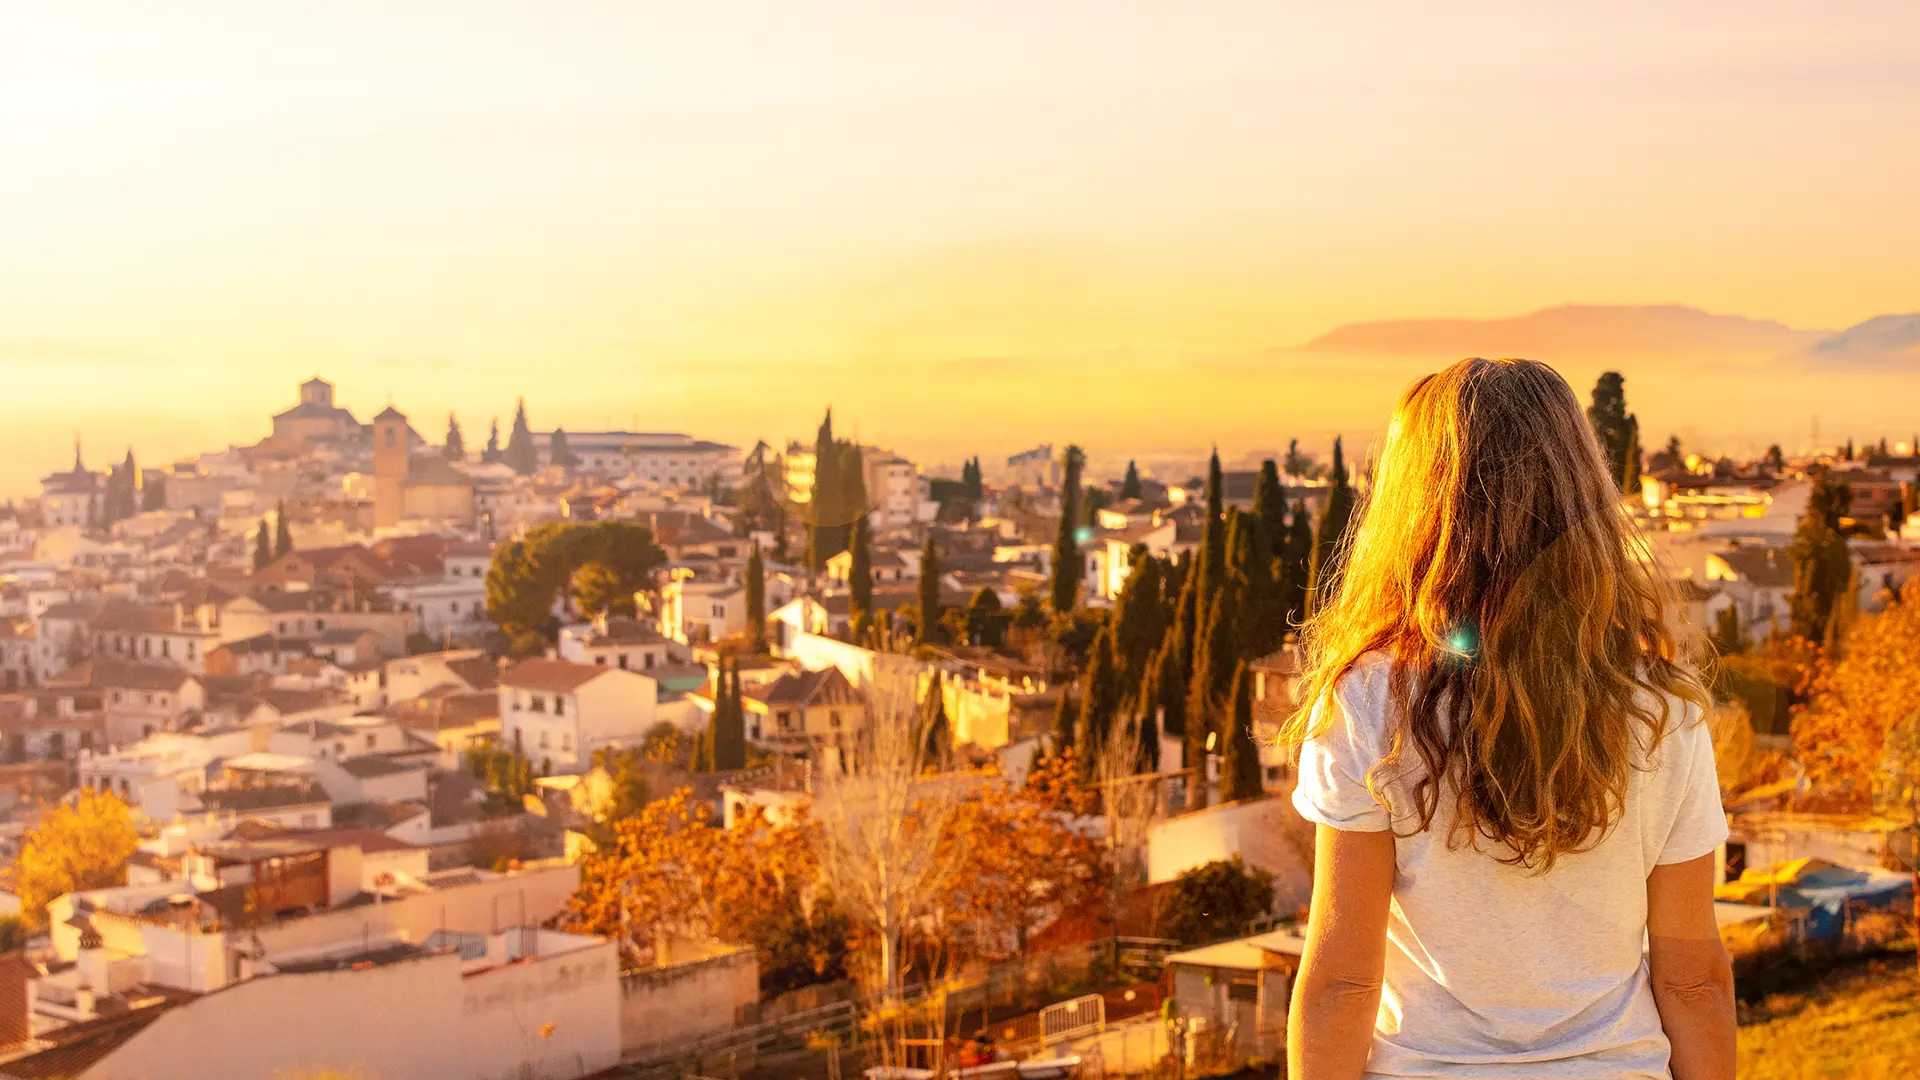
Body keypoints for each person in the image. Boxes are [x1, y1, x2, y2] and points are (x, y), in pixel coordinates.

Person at [1281, 358, 1735, 1080]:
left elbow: (1343, 982)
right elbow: (1693, 981)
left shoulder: (1369, 703)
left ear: (1414, 505)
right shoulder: (1661, 708)